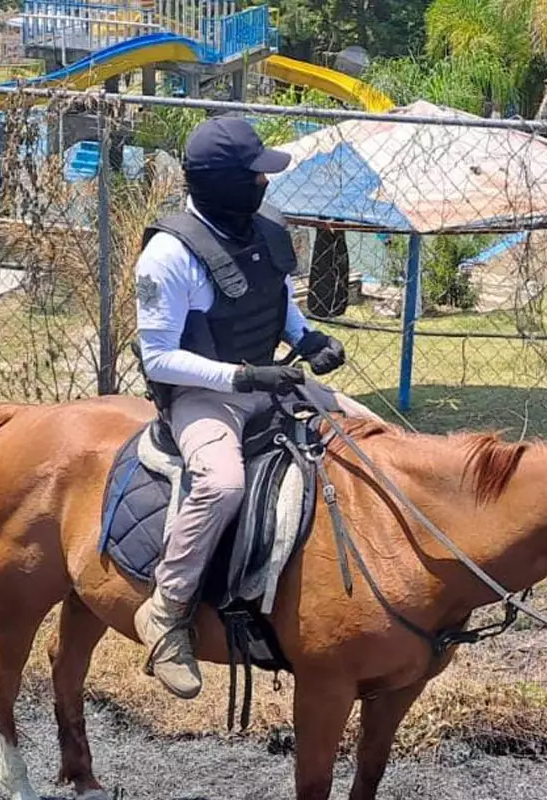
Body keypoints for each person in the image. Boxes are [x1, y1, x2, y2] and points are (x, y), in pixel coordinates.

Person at [133, 116, 381, 700]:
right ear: (221, 183)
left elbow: (277, 301)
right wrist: (243, 376)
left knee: (374, 433)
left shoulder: (266, 228)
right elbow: (158, 359)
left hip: (267, 380)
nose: (265, 184)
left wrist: (308, 339)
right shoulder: (167, 255)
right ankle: (166, 612)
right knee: (221, 485)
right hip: (203, 396)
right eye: (254, 176)